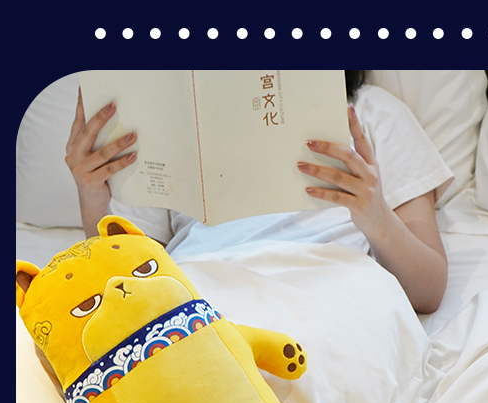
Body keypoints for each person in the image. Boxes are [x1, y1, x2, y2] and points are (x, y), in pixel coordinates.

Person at [64, 71, 452, 314]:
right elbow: (129, 277)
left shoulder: (371, 113)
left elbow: (428, 290)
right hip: (199, 293)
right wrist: (91, 195)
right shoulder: (176, 122)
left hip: (328, 289)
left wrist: (375, 216)